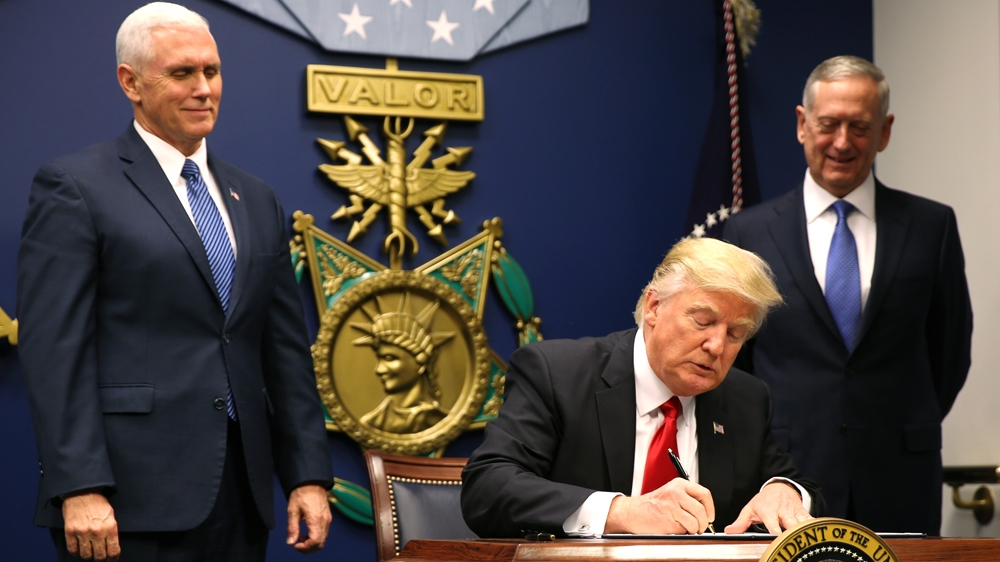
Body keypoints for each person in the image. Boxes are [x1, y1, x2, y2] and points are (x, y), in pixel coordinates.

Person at [17, 3, 334, 560]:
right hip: (125, 502)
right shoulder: (75, 186)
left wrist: (307, 475)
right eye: (182, 73)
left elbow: (283, 349)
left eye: (212, 71)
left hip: (241, 496)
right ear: (131, 83)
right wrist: (79, 485)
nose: (203, 88)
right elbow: (55, 352)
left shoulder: (256, 197)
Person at [723, 55, 972, 535]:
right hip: (785, 478)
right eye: (828, 124)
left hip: (901, 476)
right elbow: (739, 363)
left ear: (884, 132)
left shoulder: (931, 226)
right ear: (802, 124)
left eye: (859, 127)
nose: (842, 142)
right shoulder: (748, 233)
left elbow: (950, 352)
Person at [461, 238, 826, 538]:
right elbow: (487, 488)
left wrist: (784, 492)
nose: (717, 346)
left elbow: (803, 489)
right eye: (703, 321)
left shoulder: (745, 399)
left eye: (735, 334)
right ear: (654, 306)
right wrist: (622, 511)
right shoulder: (558, 374)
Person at [353, 295, 452, 433]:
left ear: (420, 363)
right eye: (379, 359)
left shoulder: (440, 421)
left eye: (389, 358)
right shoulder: (372, 422)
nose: (379, 369)